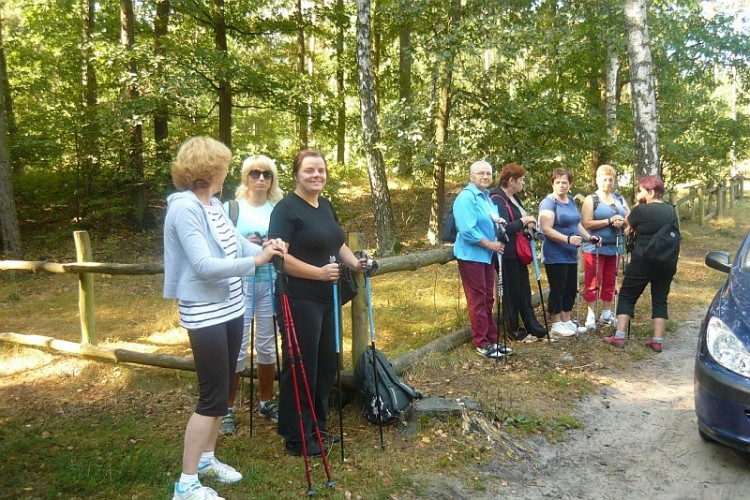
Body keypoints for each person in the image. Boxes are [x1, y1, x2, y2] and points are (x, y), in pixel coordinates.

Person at [164, 137, 286, 500]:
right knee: (213, 397)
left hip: (232, 306)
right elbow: (203, 265)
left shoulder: (214, 204)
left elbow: (236, 244)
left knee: (218, 395)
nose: (227, 172)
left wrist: (266, 248)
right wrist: (257, 262)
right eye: (224, 166)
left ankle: (207, 460)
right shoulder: (184, 209)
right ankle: (185, 485)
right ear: (209, 169)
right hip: (205, 313)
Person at [268, 149, 366, 457]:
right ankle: (296, 436)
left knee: (325, 366)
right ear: (296, 175)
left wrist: (357, 264)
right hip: (299, 298)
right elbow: (279, 259)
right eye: (309, 170)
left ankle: (317, 427)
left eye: (320, 170)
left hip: (328, 299)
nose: (316, 175)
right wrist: (319, 273)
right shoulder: (285, 210)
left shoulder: (325, 205)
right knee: (301, 366)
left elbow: (336, 243)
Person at [220, 155, 284, 435]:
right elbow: (218, 245)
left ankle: (266, 402)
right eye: (255, 173)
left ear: (273, 179)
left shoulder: (279, 209)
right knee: (237, 344)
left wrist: (274, 244)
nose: (260, 179)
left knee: (267, 344)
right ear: (245, 176)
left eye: (266, 174)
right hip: (239, 282)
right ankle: (227, 409)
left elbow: (288, 244)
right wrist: (244, 244)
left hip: (270, 281)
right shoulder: (230, 208)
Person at [603, 175, 677, 352]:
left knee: (627, 295)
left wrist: (638, 203)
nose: (639, 193)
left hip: (643, 261)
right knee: (660, 299)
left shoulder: (641, 210)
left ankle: (619, 336)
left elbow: (630, 223)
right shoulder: (670, 210)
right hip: (666, 262)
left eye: (641, 190)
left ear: (650, 192)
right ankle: (657, 340)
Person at [453, 160, 511, 359]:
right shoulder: (466, 198)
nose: (485, 176)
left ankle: (492, 339)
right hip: (472, 256)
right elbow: (468, 231)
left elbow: (492, 219)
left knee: (488, 297)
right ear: (471, 176)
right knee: (478, 299)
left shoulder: (486, 197)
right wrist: (491, 244)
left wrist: (499, 222)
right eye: (481, 173)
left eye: (488, 173)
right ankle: (482, 342)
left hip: (486, 256)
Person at [538, 168, 600, 337]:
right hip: (555, 253)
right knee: (558, 288)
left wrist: (589, 237)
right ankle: (556, 323)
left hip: (571, 253)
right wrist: (567, 239)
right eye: (557, 182)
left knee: (571, 288)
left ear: (570, 184)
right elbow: (546, 229)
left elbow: (576, 224)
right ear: (552, 183)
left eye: (564, 182)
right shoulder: (549, 202)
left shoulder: (570, 200)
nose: (561, 185)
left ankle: (566, 320)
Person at [490, 162, 547, 342]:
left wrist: (528, 223)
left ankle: (533, 326)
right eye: (521, 179)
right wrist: (525, 220)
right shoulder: (497, 198)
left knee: (523, 290)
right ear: (511, 180)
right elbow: (504, 228)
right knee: (511, 292)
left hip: (518, 253)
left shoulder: (513, 198)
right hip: (506, 254)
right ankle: (512, 329)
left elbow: (519, 222)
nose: (523, 183)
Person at [581, 164, 630, 330]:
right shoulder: (591, 199)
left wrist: (622, 222)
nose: (608, 182)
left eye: (611, 179)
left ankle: (606, 312)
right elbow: (586, 223)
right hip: (595, 247)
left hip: (615, 247)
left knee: (611, 280)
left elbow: (629, 220)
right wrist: (608, 221)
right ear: (597, 180)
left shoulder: (620, 199)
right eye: (604, 179)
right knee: (594, 280)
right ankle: (591, 314)